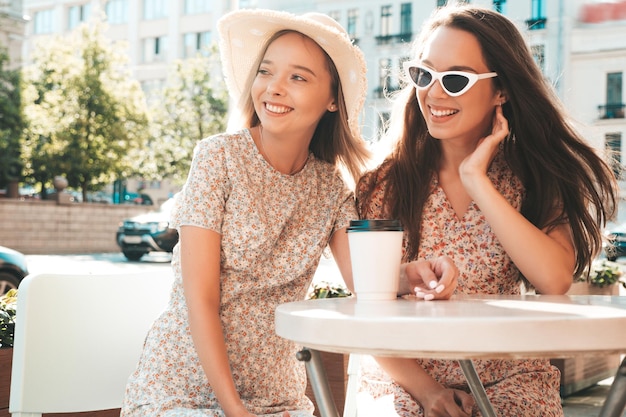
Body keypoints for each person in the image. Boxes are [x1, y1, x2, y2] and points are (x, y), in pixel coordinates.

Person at [121, 9, 458, 417]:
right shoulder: (218, 158)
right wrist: (234, 410)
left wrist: (413, 275)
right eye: (266, 72)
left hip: (279, 399)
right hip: (182, 391)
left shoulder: (331, 189)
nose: (274, 88)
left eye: (298, 77)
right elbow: (201, 300)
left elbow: (367, 284)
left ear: (333, 99)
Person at [355, 4, 618, 417]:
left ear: (502, 90)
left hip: (509, 378)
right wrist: (428, 392)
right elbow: (367, 298)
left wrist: (477, 179)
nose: (434, 93)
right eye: (424, 75)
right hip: (404, 378)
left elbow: (553, 280)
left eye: (456, 79)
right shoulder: (385, 182)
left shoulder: (535, 177)